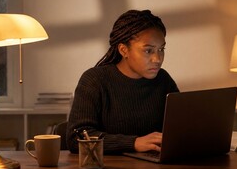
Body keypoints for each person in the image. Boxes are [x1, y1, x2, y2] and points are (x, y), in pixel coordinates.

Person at [66, 9, 179, 155]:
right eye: (148, 51)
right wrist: (133, 143)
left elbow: (179, 128)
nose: (157, 59)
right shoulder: (94, 80)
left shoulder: (163, 80)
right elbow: (76, 137)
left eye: (161, 49)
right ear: (124, 50)